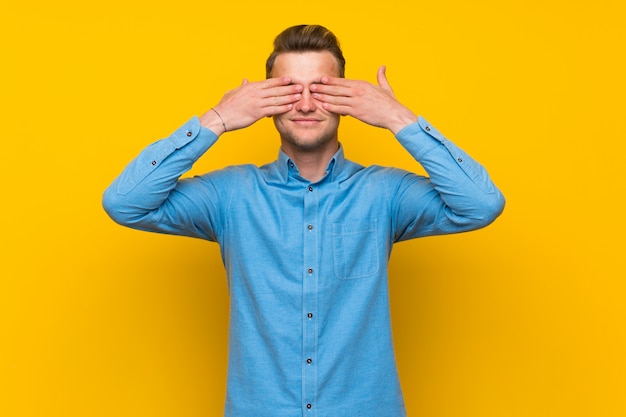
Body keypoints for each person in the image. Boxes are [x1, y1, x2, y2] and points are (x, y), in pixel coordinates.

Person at [103, 24, 505, 417]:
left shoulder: (384, 193)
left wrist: (399, 118)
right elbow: (125, 202)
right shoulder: (231, 195)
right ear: (265, 99)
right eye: (289, 90)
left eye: (323, 89)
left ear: (349, 97)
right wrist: (217, 118)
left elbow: (480, 203)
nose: (307, 104)